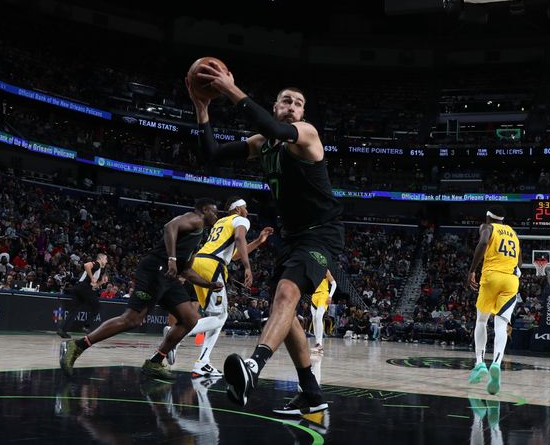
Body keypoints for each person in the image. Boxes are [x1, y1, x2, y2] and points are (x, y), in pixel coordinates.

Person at [191, 62, 344, 416]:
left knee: (287, 294)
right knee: (285, 314)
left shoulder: (305, 133)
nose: (291, 106)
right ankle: (311, 393)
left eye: (297, 103)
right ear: (275, 105)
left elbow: (273, 127)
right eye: (285, 101)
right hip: (292, 238)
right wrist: (202, 109)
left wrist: (230, 88)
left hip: (322, 234)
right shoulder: (262, 144)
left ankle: (254, 367)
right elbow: (211, 155)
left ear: (301, 113)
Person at [59, 199, 223, 379]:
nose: (216, 216)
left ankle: (154, 362)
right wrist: (172, 259)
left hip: (169, 277)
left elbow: (186, 270)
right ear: (205, 210)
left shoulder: (198, 236)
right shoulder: (195, 219)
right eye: (214, 212)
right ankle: (77, 345)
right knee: (132, 319)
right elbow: (170, 227)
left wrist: (208, 285)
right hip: (155, 270)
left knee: (190, 318)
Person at [165, 197, 273, 378]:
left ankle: (203, 363)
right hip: (212, 266)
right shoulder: (241, 220)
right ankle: (174, 335)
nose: (247, 211)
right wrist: (248, 267)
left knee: (216, 317)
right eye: (245, 207)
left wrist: (258, 242)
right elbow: (239, 238)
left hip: (199, 262)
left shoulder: (222, 222)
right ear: (238, 209)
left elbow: (235, 255)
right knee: (221, 316)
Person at [465, 206, 521, 395]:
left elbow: (482, 243)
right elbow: (519, 263)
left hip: (491, 277)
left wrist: (472, 269)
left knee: (481, 320)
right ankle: (496, 363)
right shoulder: (513, 233)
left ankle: (480, 363)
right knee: (501, 324)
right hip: (511, 280)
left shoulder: (487, 227)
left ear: (488, 217)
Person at [56, 253, 109, 337]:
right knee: (97, 306)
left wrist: (101, 282)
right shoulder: (97, 264)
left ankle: (62, 330)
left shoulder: (98, 270)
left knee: (74, 310)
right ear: (101, 258)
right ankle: (86, 326)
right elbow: (86, 265)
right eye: (106, 259)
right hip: (84, 288)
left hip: (79, 288)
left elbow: (93, 286)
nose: (106, 261)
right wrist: (92, 278)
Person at [310, 270, 337, 353]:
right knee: (314, 318)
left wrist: (330, 296)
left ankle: (319, 344)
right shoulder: (311, 269)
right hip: (314, 295)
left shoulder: (324, 269)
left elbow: (334, 284)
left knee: (318, 316)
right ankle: (317, 343)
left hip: (323, 294)